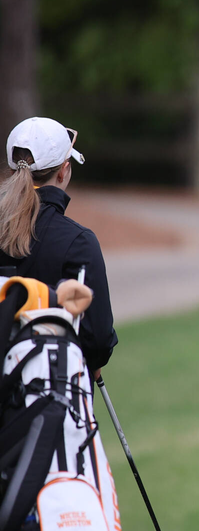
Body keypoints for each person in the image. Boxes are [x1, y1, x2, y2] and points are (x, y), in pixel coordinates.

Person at [0, 116, 116, 374]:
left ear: (11, 171)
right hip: (49, 400)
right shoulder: (78, 242)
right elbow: (98, 341)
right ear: (64, 170)